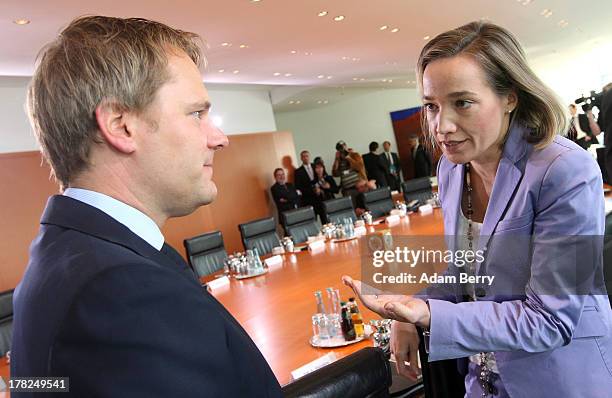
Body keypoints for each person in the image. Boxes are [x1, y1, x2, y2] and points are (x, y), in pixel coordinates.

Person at [11, 16, 283, 397]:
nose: (219, 138)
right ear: (121, 126)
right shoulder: (121, 291)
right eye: (196, 114)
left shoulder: (67, 257)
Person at [343, 21, 612, 398]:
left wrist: (428, 316)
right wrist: (411, 308)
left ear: (510, 98)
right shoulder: (452, 170)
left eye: (462, 103)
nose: (441, 126)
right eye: (431, 106)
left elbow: (550, 321)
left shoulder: (564, 170)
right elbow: (468, 269)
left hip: (561, 379)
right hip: (483, 379)